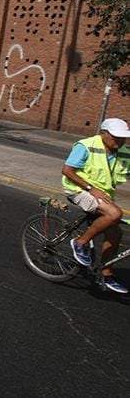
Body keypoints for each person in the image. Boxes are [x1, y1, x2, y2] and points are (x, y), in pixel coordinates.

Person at [64, 118, 130, 293]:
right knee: (115, 214)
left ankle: (105, 272)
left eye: (123, 138)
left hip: (103, 197)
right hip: (78, 190)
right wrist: (91, 188)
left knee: (116, 233)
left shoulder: (124, 153)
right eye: (116, 137)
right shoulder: (86, 146)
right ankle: (80, 242)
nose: (120, 141)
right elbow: (67, 170)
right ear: (103, 134)